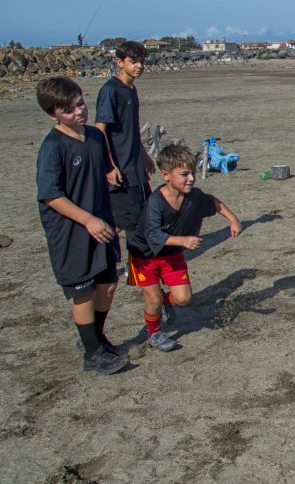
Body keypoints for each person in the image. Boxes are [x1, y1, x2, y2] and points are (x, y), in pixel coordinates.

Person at [36, 76, 128, 374]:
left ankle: (95, 339)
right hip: (72, 230)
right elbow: (51, 195)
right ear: (53, 114)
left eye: (80, 103)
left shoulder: (94, 136)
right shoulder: (53, 147)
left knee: (109, 283)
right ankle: (92, 354)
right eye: (69, 109)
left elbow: (100, 174)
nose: (79, 111)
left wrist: (112, 180)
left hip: (101, 223)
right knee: (83, 291)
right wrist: (87, 220)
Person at [126, 144, 242, 352]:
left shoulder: (193, 196)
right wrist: (183, 241)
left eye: (193, 173)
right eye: (184, 174)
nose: (191, 178)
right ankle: (154, 333)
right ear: (165, 175)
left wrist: (233, 220)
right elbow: (154, 235)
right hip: (145, 257)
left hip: (172, 255)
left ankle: (166, 302)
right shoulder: (155, 202)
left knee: (184, 298)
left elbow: (214, 203)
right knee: (152, 299)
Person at [95, 40, 155, 241]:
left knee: (143, 214)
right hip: (120, 169)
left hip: (134, 167)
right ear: (119, 62)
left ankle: (137, 265)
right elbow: (100, 130)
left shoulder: (131, 90)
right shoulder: (110, 90)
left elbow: (131, 129)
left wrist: (144, 155)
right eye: (133, 61)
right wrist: (109, 166)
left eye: (141, 62)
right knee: (129, 222)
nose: (139, 66)